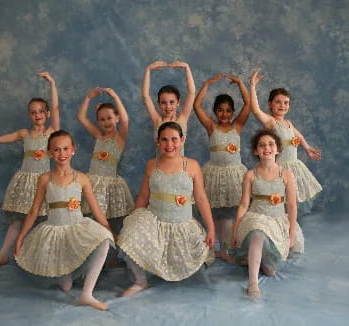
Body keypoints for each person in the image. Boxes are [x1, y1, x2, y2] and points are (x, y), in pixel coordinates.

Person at [0, 72, 60, 270]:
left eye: (41, 111)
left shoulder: (51, 132)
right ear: (29, 115)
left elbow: (56, 107)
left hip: (45, 182)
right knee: (17, 221)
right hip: (25, 182)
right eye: (33, 112)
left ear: (47, 114)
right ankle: (1, 256)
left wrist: (52, 83)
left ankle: (49, 258)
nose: (37, 115)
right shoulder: (24, 134)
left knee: (48, 220)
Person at [14, 130, 114, 311]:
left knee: (105, 240)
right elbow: (34, 211)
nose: (62, 154)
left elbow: (96, 209)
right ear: (50, 152)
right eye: (57, 150)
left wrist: (109, 229)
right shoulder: (45, 178)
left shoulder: (82, 178)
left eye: (66, 149)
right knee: (66, 285)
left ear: (73, 150)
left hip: (77, 226)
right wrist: (21, 236)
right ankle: (67, 276)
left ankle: (87, 295)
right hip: (55, 229)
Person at [117, 122, 215, 296]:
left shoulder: (191, 166)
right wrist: (132, 221)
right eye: (164, 140)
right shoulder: (152, 165)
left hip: (182, 224)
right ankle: (141, 282)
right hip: (155, 221)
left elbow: (201, 199)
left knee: (198, 276)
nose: (169, 145)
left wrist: (211, 229)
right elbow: (143, 197)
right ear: (158, 142)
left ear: (182, 140)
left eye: (174, 139)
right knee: (128, 235)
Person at [232, 129, 304, 297]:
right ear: (256, 151)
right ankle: (253, 284)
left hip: (277, 219)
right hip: (256, 217)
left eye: (271, 144)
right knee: (258, 233)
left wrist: (291, 232)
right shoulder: (250, 175)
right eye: (262, 145)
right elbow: (244, 204)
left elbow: (292, 206)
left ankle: (265, 262)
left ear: (278, 149)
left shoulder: (286, 175)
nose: (267, 148)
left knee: (271, 271)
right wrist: (236, 228)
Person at [193, 73, 250, 261]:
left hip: (234, 174)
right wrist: (207, 83)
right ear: (215, 112)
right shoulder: (211, 126)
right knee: (215, 211)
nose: (224, 114)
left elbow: (248, 105)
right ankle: (215, 246)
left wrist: (241, 84)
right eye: (220, 110)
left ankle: (226, 247)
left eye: (227, 110)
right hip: (214, 173)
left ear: (233, 112)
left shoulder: (238, 126)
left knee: (231, 211)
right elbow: (196, 106)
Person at [250, 68, 322, 204]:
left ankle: (289, 223)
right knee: (278, 200)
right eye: (278, 102)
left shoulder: (288, 122)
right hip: (278, 167)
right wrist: (253, 86)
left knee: (291, 201)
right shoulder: (271, 122)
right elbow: (255, 110)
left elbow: (297, 135)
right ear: (270, 105)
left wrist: (307, 148)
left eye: (286, 102)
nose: (282, 105)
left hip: (293, 166)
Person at [77, 87, 134, 233]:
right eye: (102, 119)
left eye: (109, 118)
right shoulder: (99, 136)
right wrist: (88, 97)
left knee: (109, 220)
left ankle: (111, 246)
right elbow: (81, 118)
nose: (106, 122)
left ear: (117, 118)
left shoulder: (119, 139)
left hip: (109, 184)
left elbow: (126, 120)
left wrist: (115, 97)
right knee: (92, 218)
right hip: (93, 182)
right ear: (98, 122)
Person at [142, 61, 196, 156]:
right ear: (159, 104)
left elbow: (192, 93)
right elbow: (145, 96)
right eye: (163, 103)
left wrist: (187, 68)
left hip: (179, 168)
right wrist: (148, 70)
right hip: (160, 168)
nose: (168, 106)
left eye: (172, 102)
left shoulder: (182, 119)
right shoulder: (157, 121)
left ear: (178, 103)